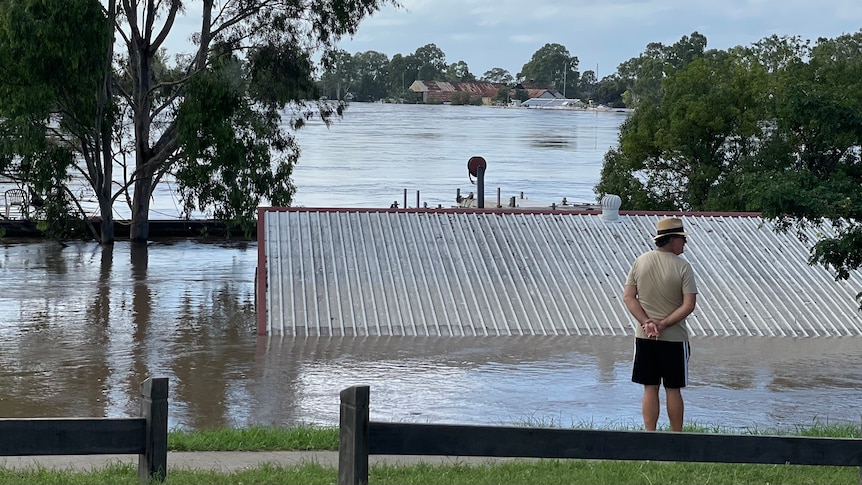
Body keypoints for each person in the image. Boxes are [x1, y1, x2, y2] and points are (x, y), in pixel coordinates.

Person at [623, 217, 698, 432]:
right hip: (674, 338)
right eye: (682, 239)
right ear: (672, 240)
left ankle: (650, 436)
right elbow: (689, 304)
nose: (685, 243)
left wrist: (647, 322)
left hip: (645, 337)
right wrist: (663, 324)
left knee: (650, 388)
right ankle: (676, 437)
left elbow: (628, 297)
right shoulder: (684, 267)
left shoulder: (641, 261)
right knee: (673, 389)